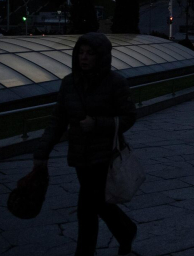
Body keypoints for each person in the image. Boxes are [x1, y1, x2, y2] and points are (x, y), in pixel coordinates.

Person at [34, 33, 138, 256]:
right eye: (80, 53)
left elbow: (129, 117)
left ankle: (86, 251)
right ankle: (126, 230)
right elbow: (58, 120)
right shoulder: (69, 83)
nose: (84, 57)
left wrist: (97, 124)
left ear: (101, 56)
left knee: (86, 208)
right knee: (99, 203)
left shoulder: (115, 83)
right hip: (80, 156)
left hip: (105, 156)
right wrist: (42, 152)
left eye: (90, 53)